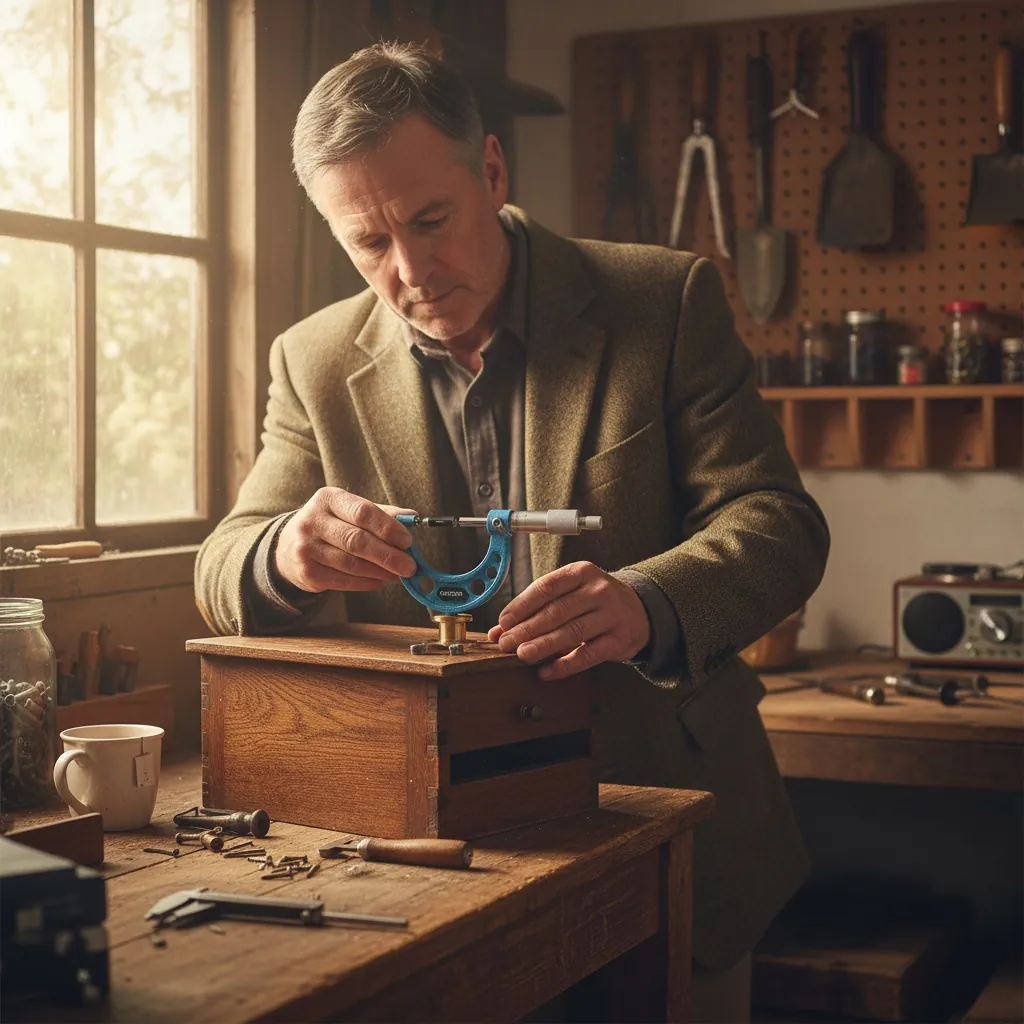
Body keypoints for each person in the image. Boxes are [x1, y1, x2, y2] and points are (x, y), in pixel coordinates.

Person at [195, 41, 830, 1021]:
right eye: (367, 242)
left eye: (430, 221)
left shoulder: (664, 300)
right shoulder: (311, 361)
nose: (407, 270)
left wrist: (645, 600)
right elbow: (220, 564)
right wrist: (286, 550)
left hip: (663, 820)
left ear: (492, 170)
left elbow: (779, 524)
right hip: (426, 854)